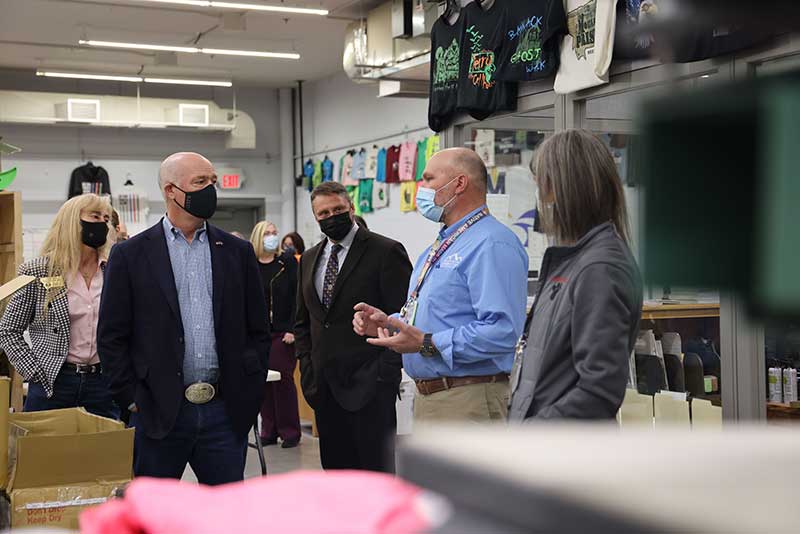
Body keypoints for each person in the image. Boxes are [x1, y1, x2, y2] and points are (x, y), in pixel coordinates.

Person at [97, 152, 271, 485]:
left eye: (213, 181)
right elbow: (111, 337)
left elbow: (258, 329)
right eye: (200, 182)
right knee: (154, 517)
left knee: (226, 516)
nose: (211, 189)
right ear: (170, 190)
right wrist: (133, 399)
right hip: (158, 412)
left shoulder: (237, 252)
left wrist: (249, 390)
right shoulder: (131, 255)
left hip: (224, 412)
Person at [353, 148, 528, 423]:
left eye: (429, 179)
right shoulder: (443, 245)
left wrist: (426, 343)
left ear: (459, 184)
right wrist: (389, 324)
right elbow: (440, 315)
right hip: (433, 399)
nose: (421, 189)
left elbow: (503, 331)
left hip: (468, 399)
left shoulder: (492, 243)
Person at [508, 130, 643, 421]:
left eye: (540, 186)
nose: (540, 202)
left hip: (563, 454)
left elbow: (599, 390)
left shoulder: (599, 268)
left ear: (560, 189)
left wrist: (531, 434)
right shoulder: (574, 260)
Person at [295, 182, 412, 472]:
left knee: (375, 477)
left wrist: (386, 375)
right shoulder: (309, 258)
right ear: (315, 216)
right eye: (323, 213)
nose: (331, 216)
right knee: (336, 479)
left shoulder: (385, 251)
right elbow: (302, 321)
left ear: (351, 208)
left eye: (337, 209)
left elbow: (404, 319)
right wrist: (308, 373)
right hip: (324, 389)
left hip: (370, 387)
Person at [0, 194, 119, 419]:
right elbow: (8, 330)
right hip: (53, 382)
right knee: (44, 451)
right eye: (94, 216)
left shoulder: (114, 269)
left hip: (102, 383)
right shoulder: (38, 271)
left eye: (106, 218)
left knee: (104, 450)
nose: (103, 223)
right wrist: (34, 372)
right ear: (73, 221)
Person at [250, 220, 301, 448]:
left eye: (274, 232)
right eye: (267, 233)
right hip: (259, 333)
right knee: (262, 383)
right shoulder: (250, 264)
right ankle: (268, 430)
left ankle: (290, 431)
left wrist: (293, 328)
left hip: (282, 333)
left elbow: (298, 297)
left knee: (283, 381)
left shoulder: (287, 262)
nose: (272, 236)